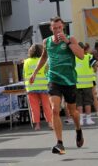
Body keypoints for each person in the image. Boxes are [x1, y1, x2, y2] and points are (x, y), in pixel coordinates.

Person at [30, 17, 85, 155]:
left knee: (73, 112)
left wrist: (67, 43)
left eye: (59, 27)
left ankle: (78, 129)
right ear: (51, 29)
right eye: (54, 28)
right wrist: (35, 73)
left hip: (69, 80)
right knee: (55, 109)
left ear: (63, 27)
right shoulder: (47, 41)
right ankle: (59, 143)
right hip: (53, 79)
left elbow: (81, 55)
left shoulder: (70, 39)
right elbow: (43, 57)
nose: (57, 30)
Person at [23, 44, 52, 131]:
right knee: (46, 105)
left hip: (31, 86)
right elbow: (48, 72)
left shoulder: (26, 61)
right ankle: (50, 123)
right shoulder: (44, 60)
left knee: (34, 107)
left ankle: (37, 125)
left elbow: (24, 74)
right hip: (43, 86)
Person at [75, 43, 98, 126]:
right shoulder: (88, 57)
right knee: (87, 102)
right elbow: (95, 65)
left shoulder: (73, 58)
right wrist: (94, 70)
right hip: (87, 84)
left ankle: (81, 119)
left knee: (79, 103)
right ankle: (88, 119)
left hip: (77, 84)